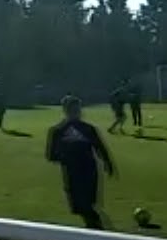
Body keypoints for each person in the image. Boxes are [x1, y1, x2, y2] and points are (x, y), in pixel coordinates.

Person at [47, 95, 116, 230]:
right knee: (78, 206)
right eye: (72, 109)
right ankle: (95, 229)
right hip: (72, 173)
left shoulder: (88, 129)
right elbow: (51, 155)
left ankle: (96, 230)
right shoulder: (57, 131)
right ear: (66, 110)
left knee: (88, 203)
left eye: (77, 109)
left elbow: (99, 147)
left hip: (89, 171)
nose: (76, 112)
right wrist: (67, 158)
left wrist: (108, 163)